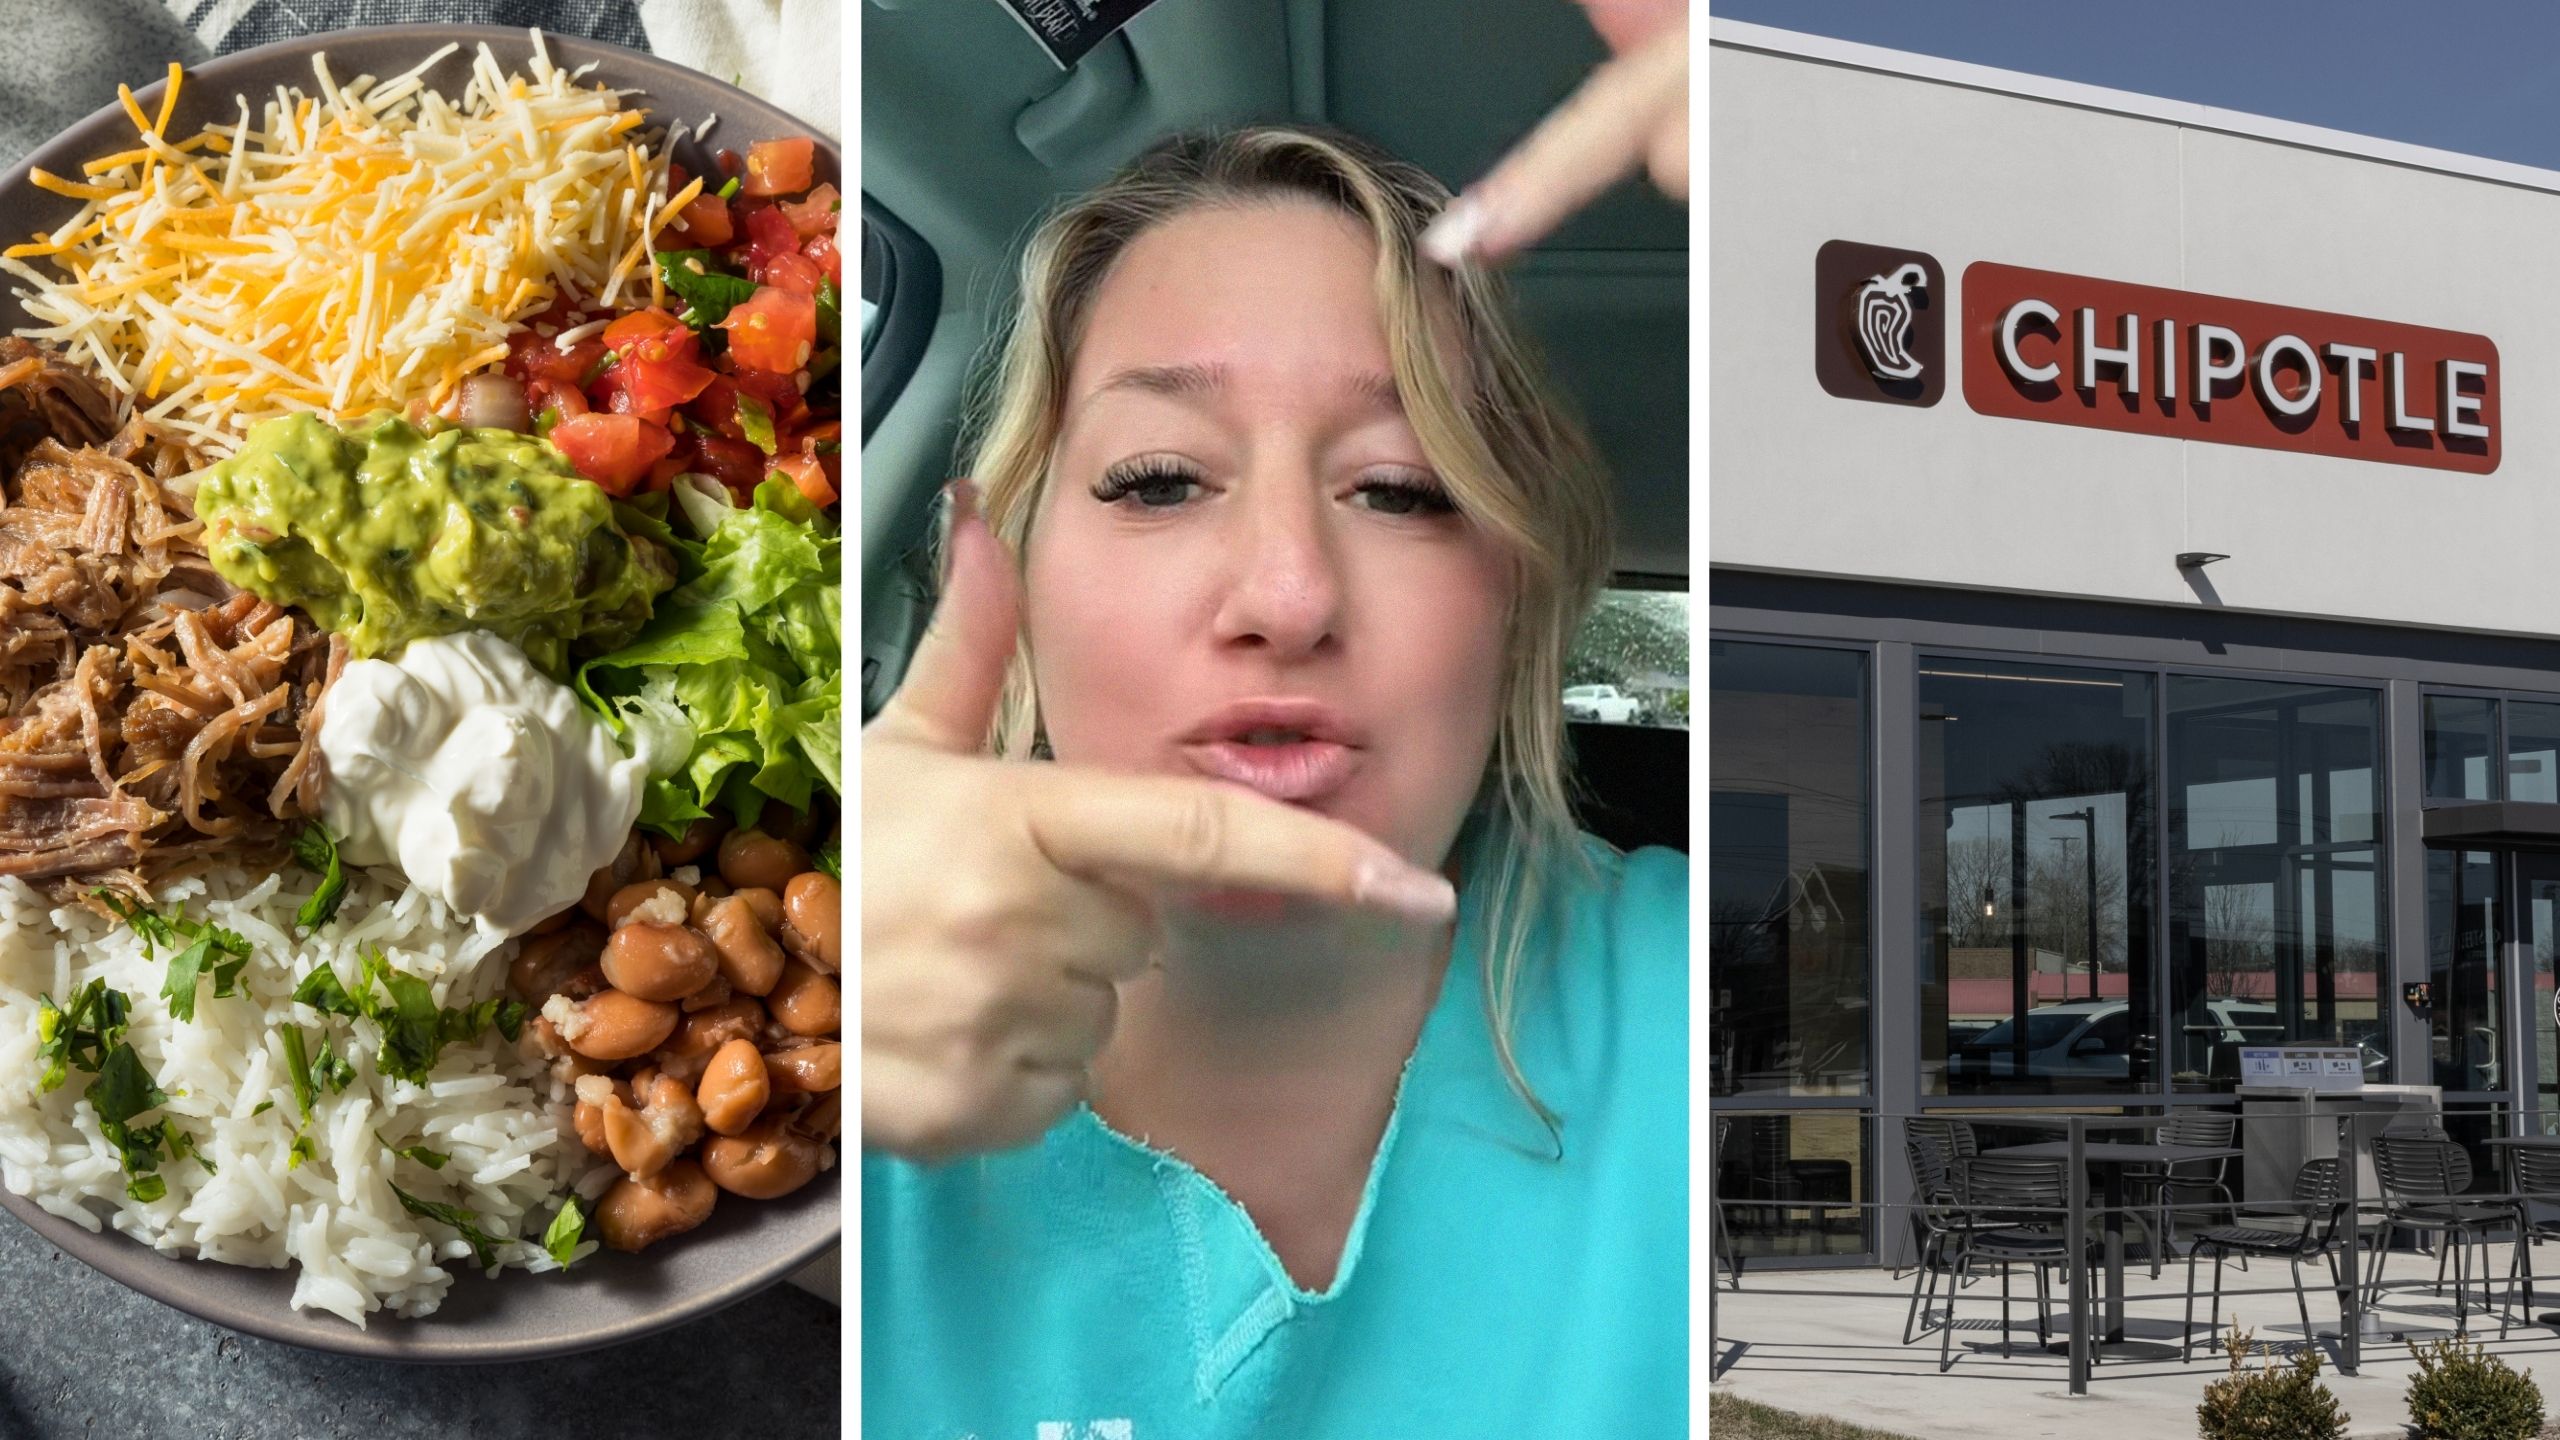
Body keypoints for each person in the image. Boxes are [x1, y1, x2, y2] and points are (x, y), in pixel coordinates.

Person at [861, 118, 1687, 1436]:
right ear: (1010, 578)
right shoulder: (831, 1018)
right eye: (1162, 478)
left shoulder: (1702, 1005)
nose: (1289, 594)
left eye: (1403, 490)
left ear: (1514, 601)